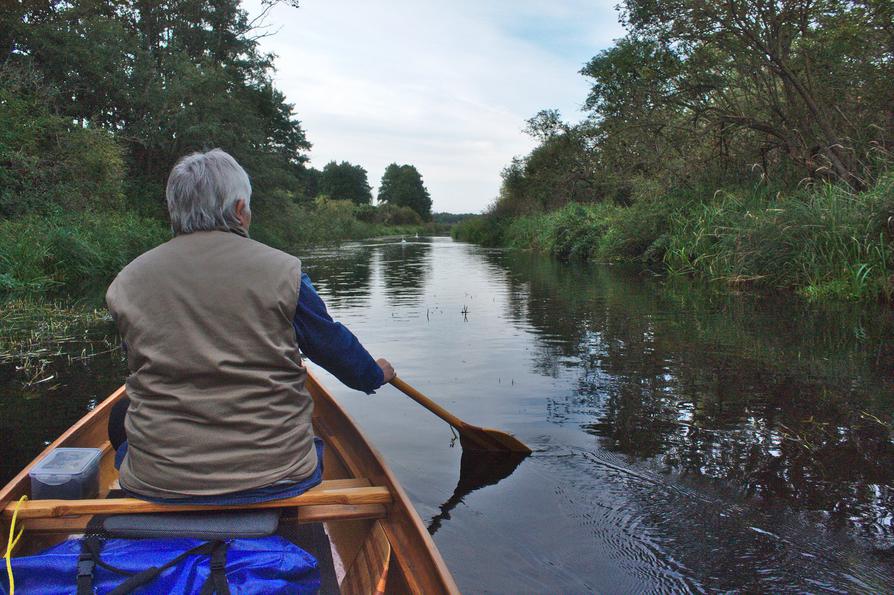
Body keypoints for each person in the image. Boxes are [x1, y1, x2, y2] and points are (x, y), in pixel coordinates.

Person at [105, 148, 394, 504]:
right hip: (279, 476)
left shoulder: (127, 281)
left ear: (173, 210)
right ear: (240, 210)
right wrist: (373, 375)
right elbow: (332, 347)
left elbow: (138, 362)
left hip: (158, 481)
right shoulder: (284, 272)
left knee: (120, 415)